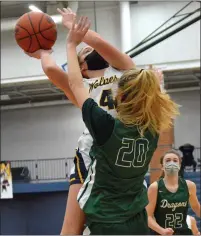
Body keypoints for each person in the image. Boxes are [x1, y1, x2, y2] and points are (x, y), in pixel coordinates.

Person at [64, 15, 180, 234]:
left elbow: (74, 82)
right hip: (134, 212)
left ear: (121, 97)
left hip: (107, 216)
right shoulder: (152, 130)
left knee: (71, 229)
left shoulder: (106, 127)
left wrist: (71, 43)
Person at [26, 7, 135, 235]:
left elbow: (100, 42)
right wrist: (42, 50)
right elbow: (51, 68)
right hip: (91, 154)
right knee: (71, 229)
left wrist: (74, 27)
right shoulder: (79, 86)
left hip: (124, 155)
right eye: (85, 52)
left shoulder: (126, 72)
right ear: (82, 67)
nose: (91, 49)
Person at [146, 150, 200, 235]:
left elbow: (196, 208)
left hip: (184, 232)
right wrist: (162, 231)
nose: (172, 163)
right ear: (162, 166)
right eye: (167, 160)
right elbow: (147, 216)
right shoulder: (155, 187)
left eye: (175, 160)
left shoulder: (189, 185)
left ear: (179, 165)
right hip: (162, 233)